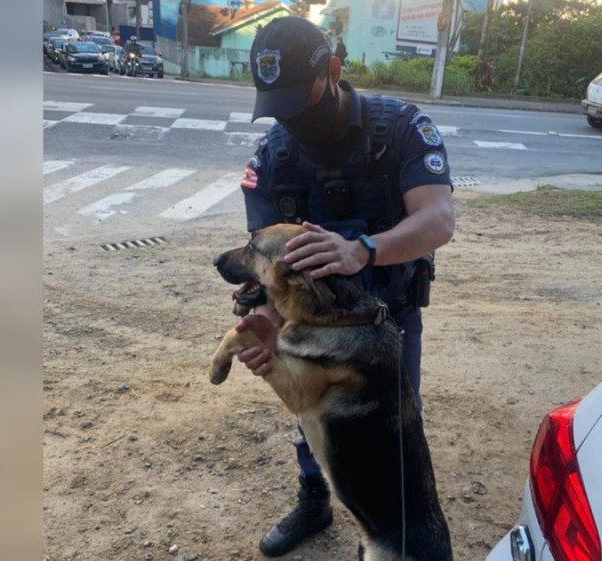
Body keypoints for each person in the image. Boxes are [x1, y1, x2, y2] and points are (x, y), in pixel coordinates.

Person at [234, 16, 455, 558]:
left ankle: (385, 531)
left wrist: (364, 249)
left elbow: (438, 219)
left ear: (333, 72)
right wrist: (262, 317)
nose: (291, 120)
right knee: (315, 420)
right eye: (277, 107)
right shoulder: (274, 155)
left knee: (390, 430)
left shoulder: (400, 128)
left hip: (388, 318)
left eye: (298, 102)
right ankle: (316, 499)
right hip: (310, 323)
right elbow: (263, 259)